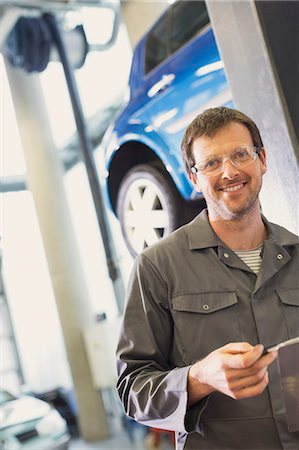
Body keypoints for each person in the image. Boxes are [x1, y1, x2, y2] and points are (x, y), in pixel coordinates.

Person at [116, 107, 299, 449]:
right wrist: (198, 378)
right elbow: (132, 391)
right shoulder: (157, 266)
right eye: (212, 163)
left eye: (240, 155)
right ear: (194, 178)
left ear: (262, 160)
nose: (229, 172)